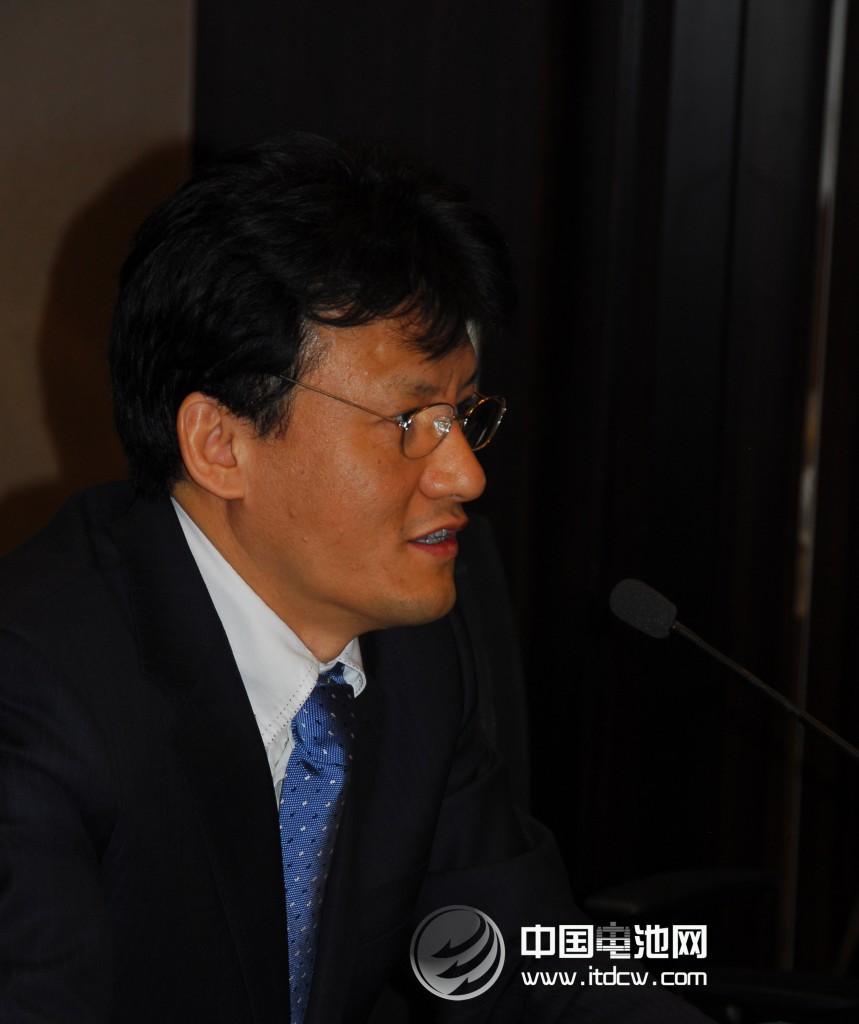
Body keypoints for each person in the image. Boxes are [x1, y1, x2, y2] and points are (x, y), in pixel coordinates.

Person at [0, 133, 713, 1022]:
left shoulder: (413, 649)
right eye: (411, 420)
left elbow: (516, 963)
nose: (465, 475)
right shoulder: (36, 691)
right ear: (221, 444)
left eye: (462, 415)